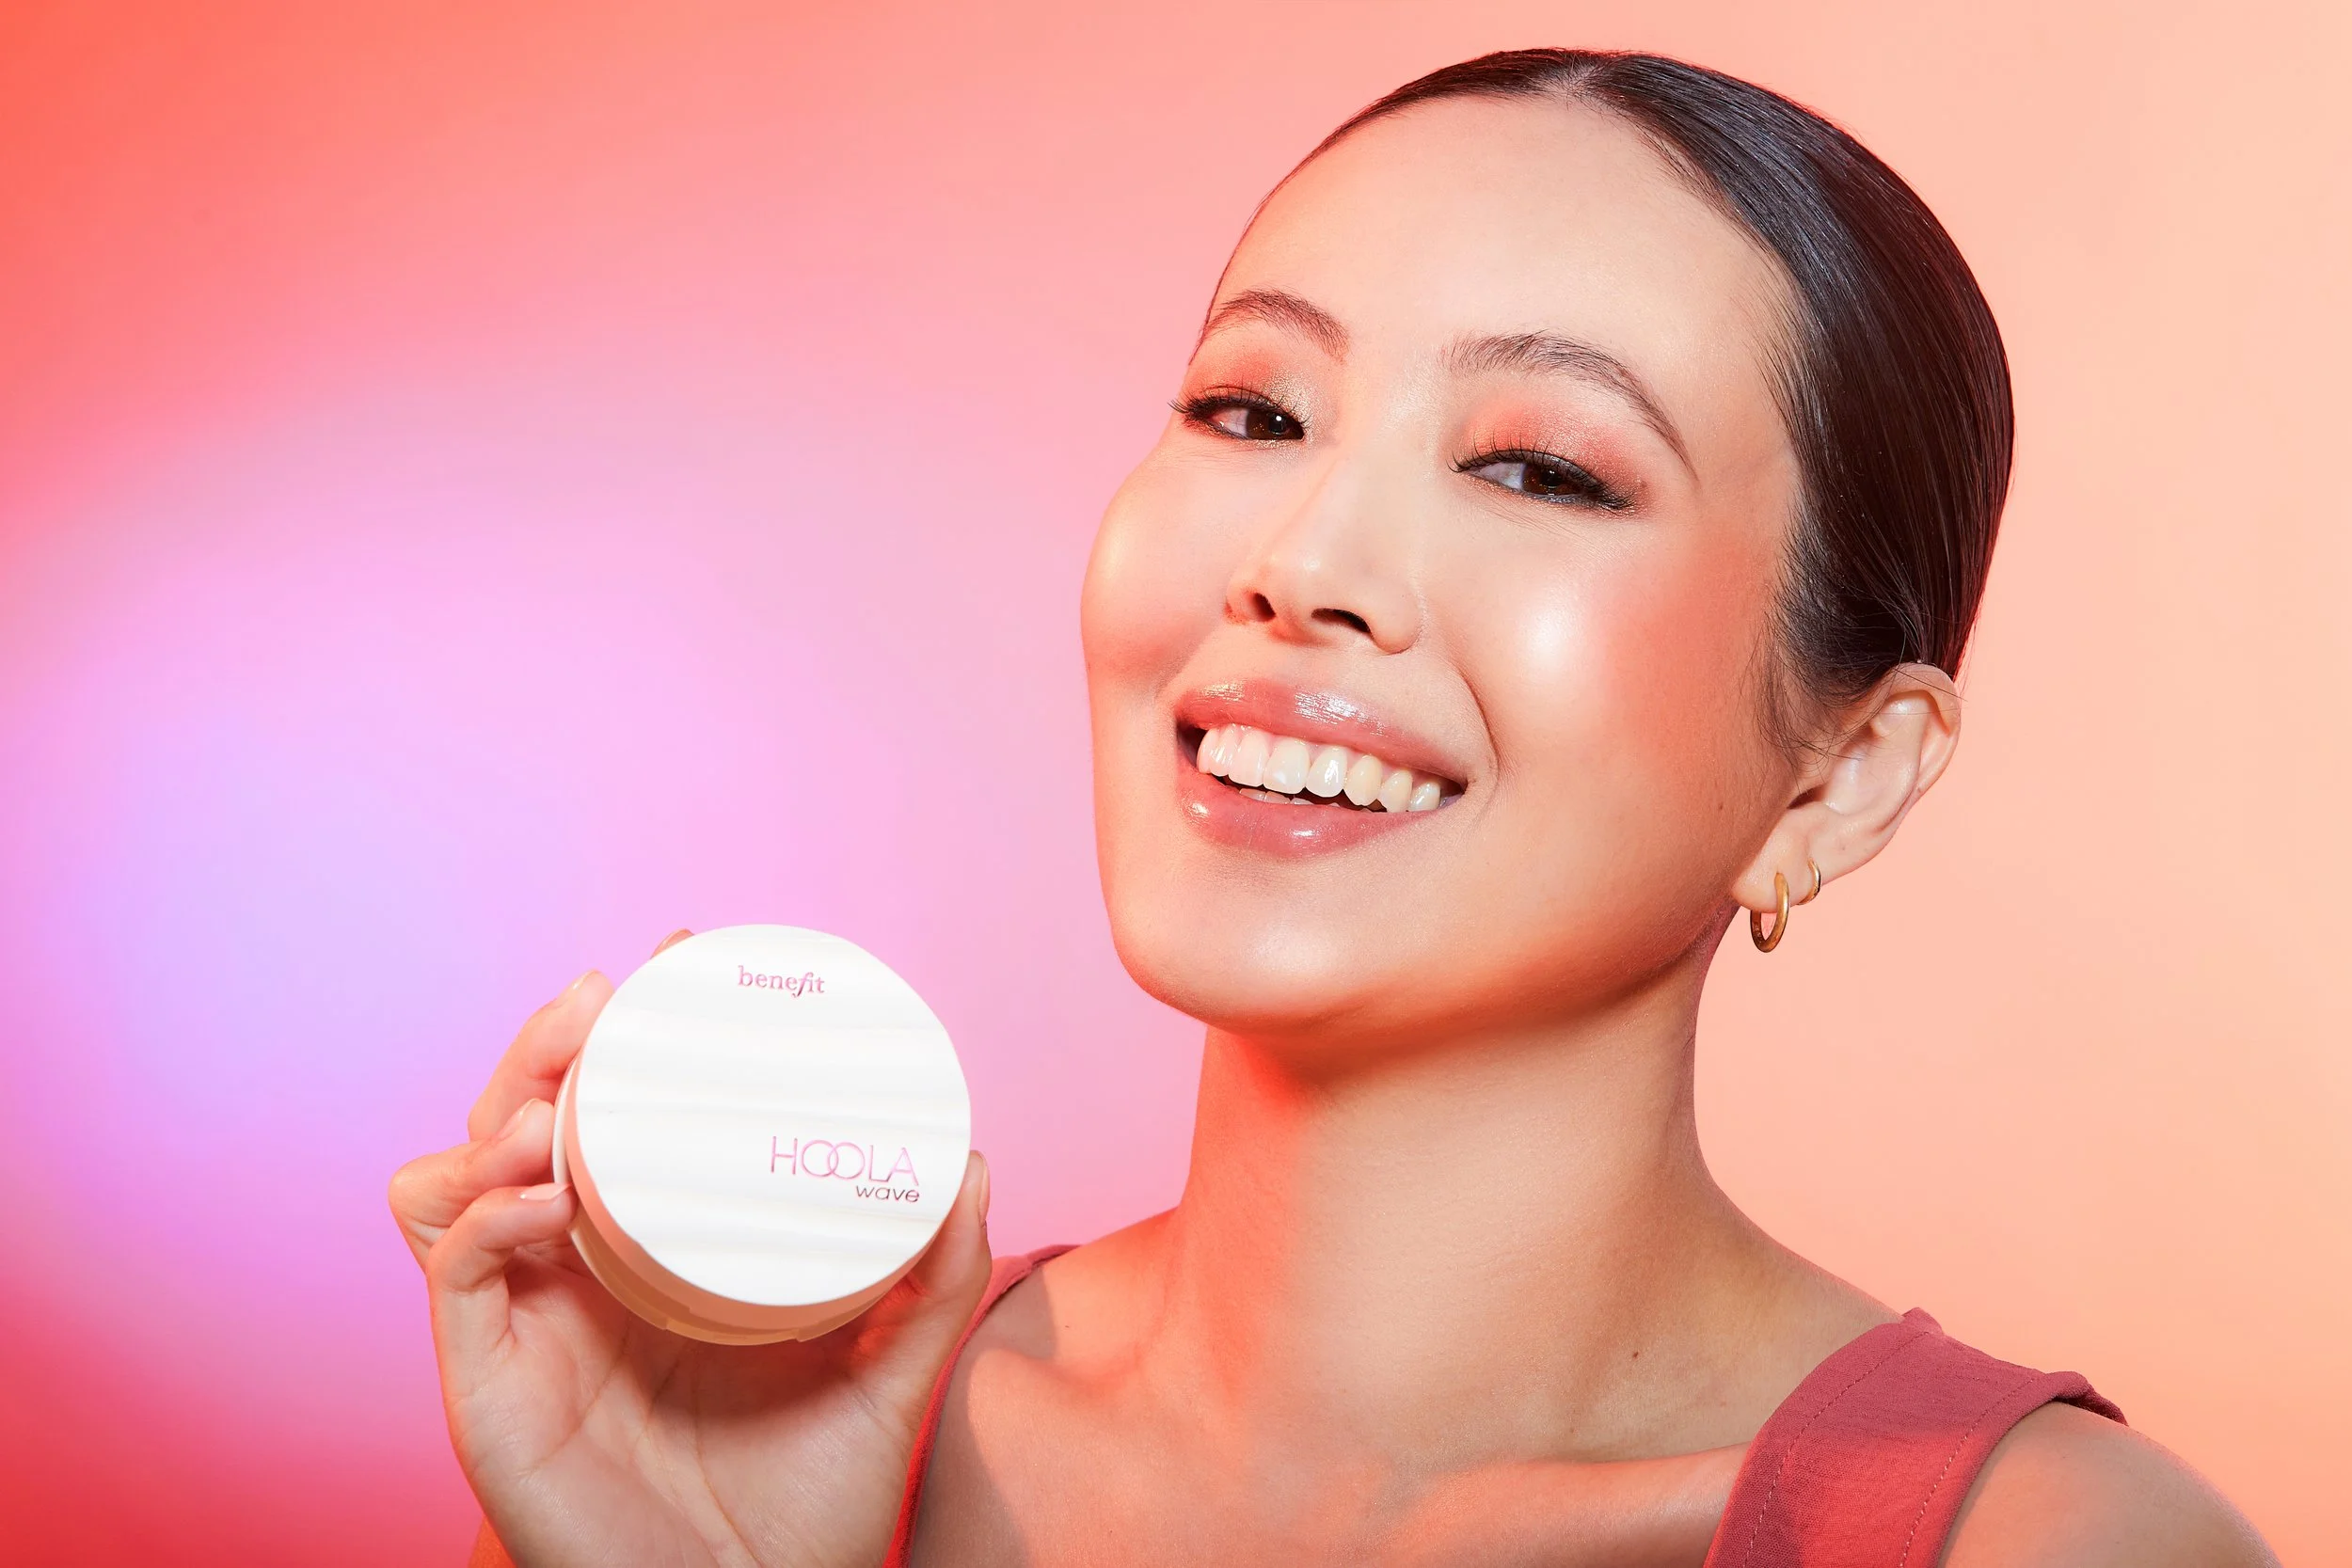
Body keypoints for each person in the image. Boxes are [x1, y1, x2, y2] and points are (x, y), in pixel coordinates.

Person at [389, 48, 2278, 1567]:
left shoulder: (2029, 1541)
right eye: (1253, 411)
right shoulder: (768, 1453)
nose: (1305, 560)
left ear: (1843, 774)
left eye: (1537, 467)